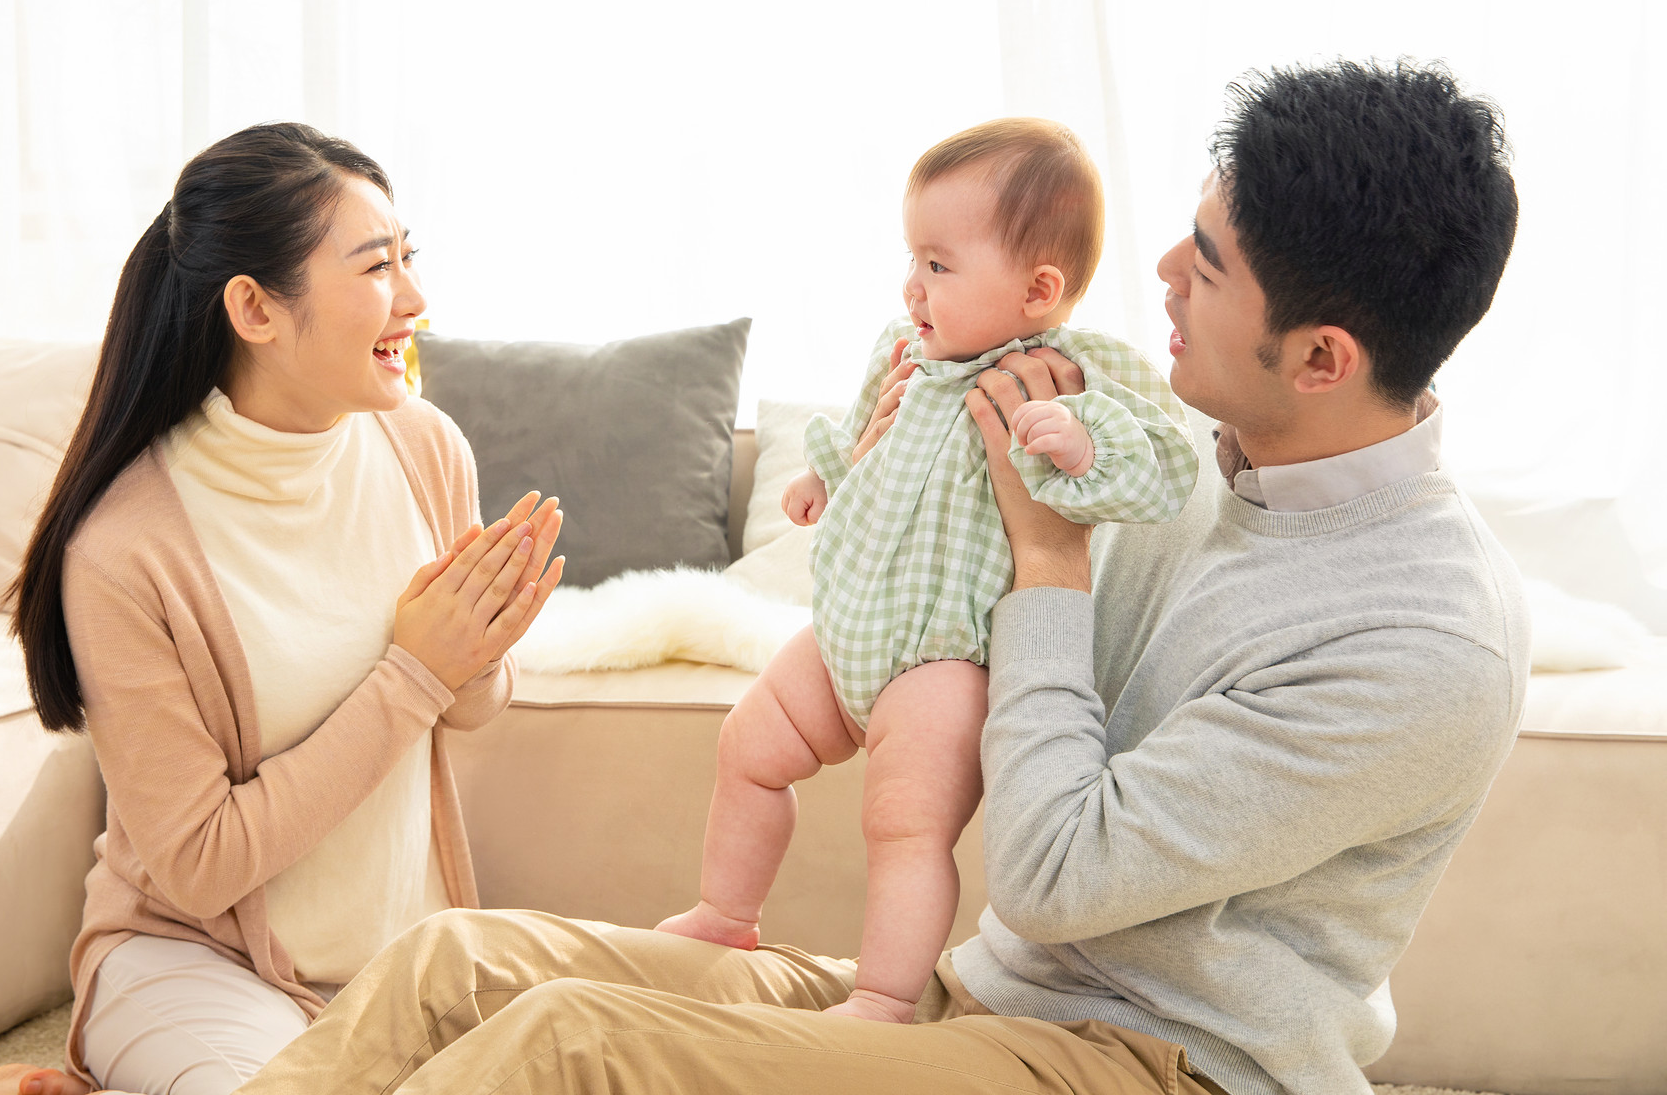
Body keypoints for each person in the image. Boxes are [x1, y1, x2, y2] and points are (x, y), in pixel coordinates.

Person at [225, 59, 1530, 1095]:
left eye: (1212, 262)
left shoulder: (1424, 641)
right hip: (993, 1000)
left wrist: (1050, 559)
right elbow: (940, 620)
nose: (1161, 274)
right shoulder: (1169, 447)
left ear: (1323, 358)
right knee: (454, 964)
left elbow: (1057, 872)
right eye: (1190, 233)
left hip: (1148, 1065)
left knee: (572, 1047)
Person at [0, 122, 566, 1095]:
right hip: (194, 960)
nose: (415, 300)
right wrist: (414, 670)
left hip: (399, 962)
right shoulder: (127, 547)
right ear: (254, 307)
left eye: (409, 260)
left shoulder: (424, 446)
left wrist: (479, 646)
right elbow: (197, 862)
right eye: (375, 267)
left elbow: (470, 703)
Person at [656, 118, 1197, 1025]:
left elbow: (1166, 466)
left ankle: (884, 996)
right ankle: (725, 914)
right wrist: (821, 477)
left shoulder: (1067, 369)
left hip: (947, 658)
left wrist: (1081, 441)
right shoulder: (903, 352)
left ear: (1038, 289)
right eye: (912, 258)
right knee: (748, 750)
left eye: (940, 265)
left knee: (904, 829)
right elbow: (868, 429)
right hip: (850, 627)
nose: (914, 285)